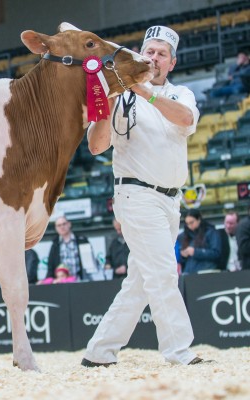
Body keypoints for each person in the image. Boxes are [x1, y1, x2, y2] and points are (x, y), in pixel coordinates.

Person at [84, 25, 209, 366]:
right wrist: (110, 101)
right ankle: (178, 351)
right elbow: (95, 146)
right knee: (164, 273)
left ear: (172, 62)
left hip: (171, 200)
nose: (154, 58)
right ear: (140, 55)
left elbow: (186, 119)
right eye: (149, 51)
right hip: (136, 195)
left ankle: (99, 352)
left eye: (162, 54)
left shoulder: (181, 93)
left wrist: (145, 92)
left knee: (140, 283)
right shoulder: (119, 94)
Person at [44, 216, 98, 282]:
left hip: (80, 281)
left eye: (64, 224)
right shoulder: (55, 244)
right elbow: (50, 267)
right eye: (59, 225)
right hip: (62, 283)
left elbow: (90, 264)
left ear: (69, 224)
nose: (62, 227)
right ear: (56, 228)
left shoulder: (82, 240)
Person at [177, 209, 221, 274]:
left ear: (199, 219)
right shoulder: (184, 236)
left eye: (192, 222)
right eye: (187, 223)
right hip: (189, 273)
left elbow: (216, 253)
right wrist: (183, 256)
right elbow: (180, 260)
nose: (189, 226)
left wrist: (195, 252)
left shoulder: (210, 232)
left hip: (206, 272)